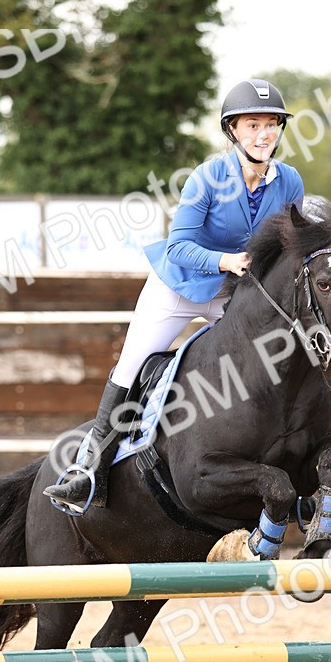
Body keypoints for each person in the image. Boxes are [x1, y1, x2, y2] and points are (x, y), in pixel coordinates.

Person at [44, 78, 304, 511]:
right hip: (179, 287)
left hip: (231, 293)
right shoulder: (207, 178)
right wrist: (226, 261)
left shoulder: (289, 181)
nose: (264, 134)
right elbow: (179, 246)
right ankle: (88, 472)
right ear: (233, 130)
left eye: (271, 125)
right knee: (132, 365)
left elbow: (289, 242)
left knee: (269, 358)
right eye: (253, 125)